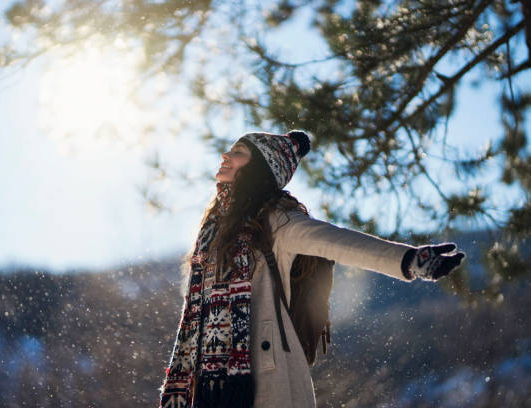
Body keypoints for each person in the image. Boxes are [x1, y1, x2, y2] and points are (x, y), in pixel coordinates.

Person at [159, 131, 465, 408]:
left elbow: (336, 241)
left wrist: (410, 260)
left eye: (238, 152)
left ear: (260, 168)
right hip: (213, 386)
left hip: (267, 373)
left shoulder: (275, 219)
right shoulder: (213, 229)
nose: (225, 156)